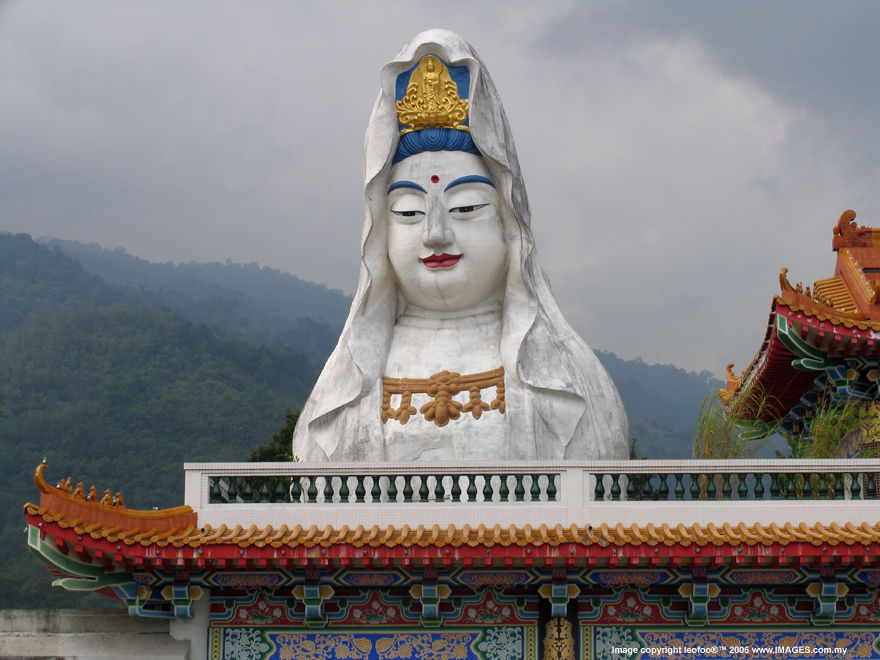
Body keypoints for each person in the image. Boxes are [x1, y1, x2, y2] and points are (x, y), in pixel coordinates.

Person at [292, 29, 628, 461]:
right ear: (380, 233)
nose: (436, 233)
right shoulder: (347, 391)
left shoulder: (565, 386)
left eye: (466, 208)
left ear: (511, 225)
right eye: (409, 212)